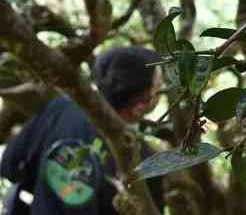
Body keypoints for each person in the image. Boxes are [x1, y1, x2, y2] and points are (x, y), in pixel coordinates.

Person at [0, 46, 165, 215]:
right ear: (139, 106)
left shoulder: (61, 107)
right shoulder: (146, 160)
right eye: (159, 86)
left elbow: (9, 166)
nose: (162, 89)